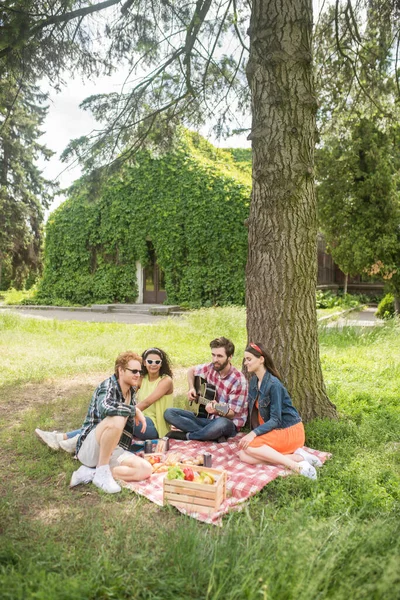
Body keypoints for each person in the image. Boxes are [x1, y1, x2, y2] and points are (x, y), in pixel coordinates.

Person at [35, 346, 174, 452]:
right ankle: (64, 438)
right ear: (144, 362)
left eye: (157, 361)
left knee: (120, 417)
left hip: (155, 426)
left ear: (162, 364)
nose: (153, 364)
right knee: (113, 416)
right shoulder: (141, 378)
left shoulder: (166, 381)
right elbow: (124, 391)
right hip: (140, 417)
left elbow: (146, 402)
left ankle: (70, 439)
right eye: (150, 361)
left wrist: (129, 412)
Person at [70, 351, 152, 493]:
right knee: (118, 416)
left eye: (139, 371)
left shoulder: (131, 391)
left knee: (145, 469)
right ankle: (102, 471)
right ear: (120, 370)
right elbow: (106, 408)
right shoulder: (108, 386)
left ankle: (93, 473)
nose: (138, 374)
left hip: (112, 448)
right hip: (89, 448)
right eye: (134, 371)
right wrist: (134, 410)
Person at [238, 342, 322, 479]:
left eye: (249, 359)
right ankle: (298, 457)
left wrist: (253, 434)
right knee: (243, 455)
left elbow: (276, 420)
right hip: (273, 431)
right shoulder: (253, 382)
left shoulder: (273, 384)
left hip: (289, 430)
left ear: (261, 359)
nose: (245, 363)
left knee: (248, 447)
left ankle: (296, 466)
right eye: (245, 359)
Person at [164, 337, 248, 441]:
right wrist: (191, 388)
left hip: (227, 422)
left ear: (230, 357)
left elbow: (232, 413)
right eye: (213, 355)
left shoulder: (238, 380)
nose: (215, 359)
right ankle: (212, 435)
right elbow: (191, 371)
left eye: (219, 356)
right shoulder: (211, 367)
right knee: (169, 413)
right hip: (206, 417)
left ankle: (188, 436)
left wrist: (217, 408)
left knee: (221, 423)